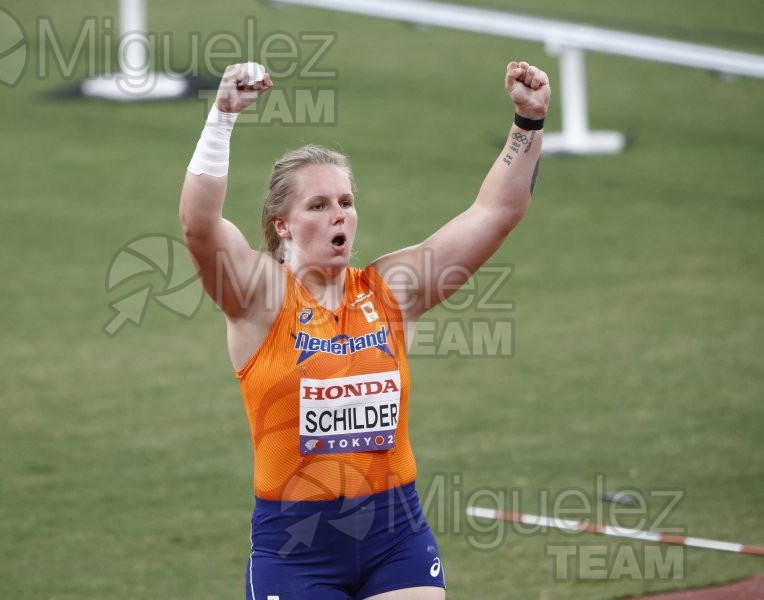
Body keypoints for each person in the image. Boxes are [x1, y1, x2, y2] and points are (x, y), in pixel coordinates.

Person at [180, 60, 550, 600]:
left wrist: (528, 122)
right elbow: (198, 225)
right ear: (283, 224)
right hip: (297, 549)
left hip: (395, 536)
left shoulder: (393, 290)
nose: (340, 216)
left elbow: (495, 212)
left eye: (347, 203)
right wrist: (222, 119)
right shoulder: (258, 298)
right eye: (320, 205)